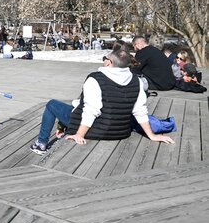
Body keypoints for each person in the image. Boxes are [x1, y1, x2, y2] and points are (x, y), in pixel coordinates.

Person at [29, 49, 175, 154]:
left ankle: (41, 144)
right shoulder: (137, 81)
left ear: (109, 62)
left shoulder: (96, 78)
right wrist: (152, 135)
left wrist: (79, 134)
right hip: (120, 131)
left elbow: (91, 110)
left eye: (105, 57)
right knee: (73, 107)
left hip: (95, 130)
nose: (104, 59)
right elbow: (140, 111)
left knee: (52, 105)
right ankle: (58, 132)